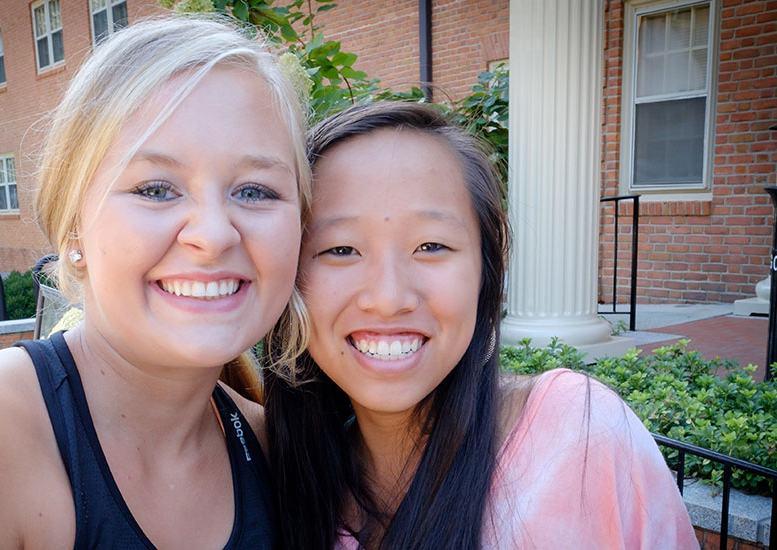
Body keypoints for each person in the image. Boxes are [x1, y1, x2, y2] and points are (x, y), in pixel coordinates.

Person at [0, 16, 309, 549]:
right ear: (73, 223)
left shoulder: (282, 455)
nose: (213, 235)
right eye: (157, 188)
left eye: (257, 191)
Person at [264, 102, 699, 549]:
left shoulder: (579, 437)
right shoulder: (280, 484)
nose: (390, 299)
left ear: (486, 272)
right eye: (341, 249)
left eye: (431, 245)